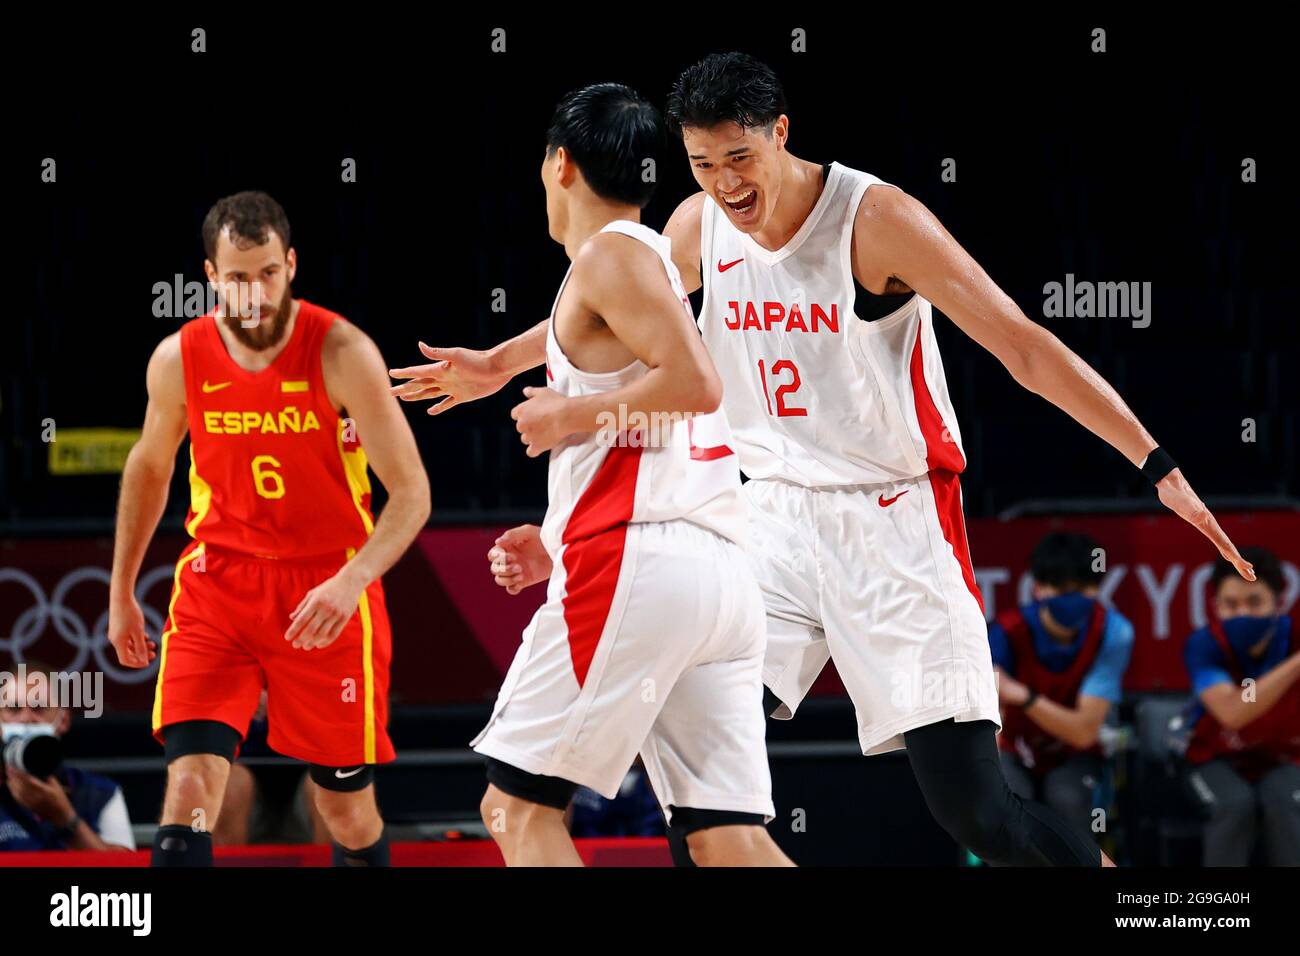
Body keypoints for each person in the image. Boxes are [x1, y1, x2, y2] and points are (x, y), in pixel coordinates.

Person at [391, 54, 1251, 866]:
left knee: (976, 813)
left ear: (780, 131)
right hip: (766, 519)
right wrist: (497, 365)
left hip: (893, 519)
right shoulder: (696, 224)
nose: (726, 184)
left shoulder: (875, 220)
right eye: (701, 164)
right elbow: (617, 313)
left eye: (739, 157)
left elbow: (1022, 346)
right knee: (696, 783)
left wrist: (1159, 468)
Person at [450, 83, 790, 866]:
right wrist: (558, 535)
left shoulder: (609, 257)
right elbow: (648, 424)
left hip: (642, 566)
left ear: (559, 164)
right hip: (715, 579)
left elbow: (696, 385)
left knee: (513, 809)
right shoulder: (649, 261)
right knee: (728, 838)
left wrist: (567, 416)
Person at [107, 191, 430, 866]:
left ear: (291, 266)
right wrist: (121, 592)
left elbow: (411, 494)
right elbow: (148, 468)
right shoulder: (178, 359)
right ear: (209, 275)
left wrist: (352, 582)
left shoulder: (343, 351)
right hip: (218, 584)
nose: (253, 294)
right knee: (189, 791)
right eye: (237, 278)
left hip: (327, 588)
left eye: (268, 275)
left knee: (345, 811)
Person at [989, 532, 1134, 846]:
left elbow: (1083, 732)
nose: (1071, 599)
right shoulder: (1005, 633)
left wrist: (1023, 696)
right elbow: (992, 728)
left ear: (1097, 588)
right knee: (1008, 809)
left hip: (1075, 754)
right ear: (1038, 589)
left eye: (1081, 589)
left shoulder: (1113, 632)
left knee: (1069, 800)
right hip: (1014, 749)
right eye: (1060, 588)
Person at [1182, 546, 1300, 865]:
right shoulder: (1203, 645)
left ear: (1279, 602)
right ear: (1215, 605)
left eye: (1254, 602)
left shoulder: (1294, 637)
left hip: (1284, 758)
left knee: (1288, 802)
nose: (1242, 614)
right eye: (1231, 604)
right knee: (1233, 805)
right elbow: (1233, 712)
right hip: (1214, 758)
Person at [0, 662, 135, 851]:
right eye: (14, 709)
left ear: (63, 720)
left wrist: (65, 819)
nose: (25, 719)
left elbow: (125, 864)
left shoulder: (101, 794)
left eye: (39, 708)